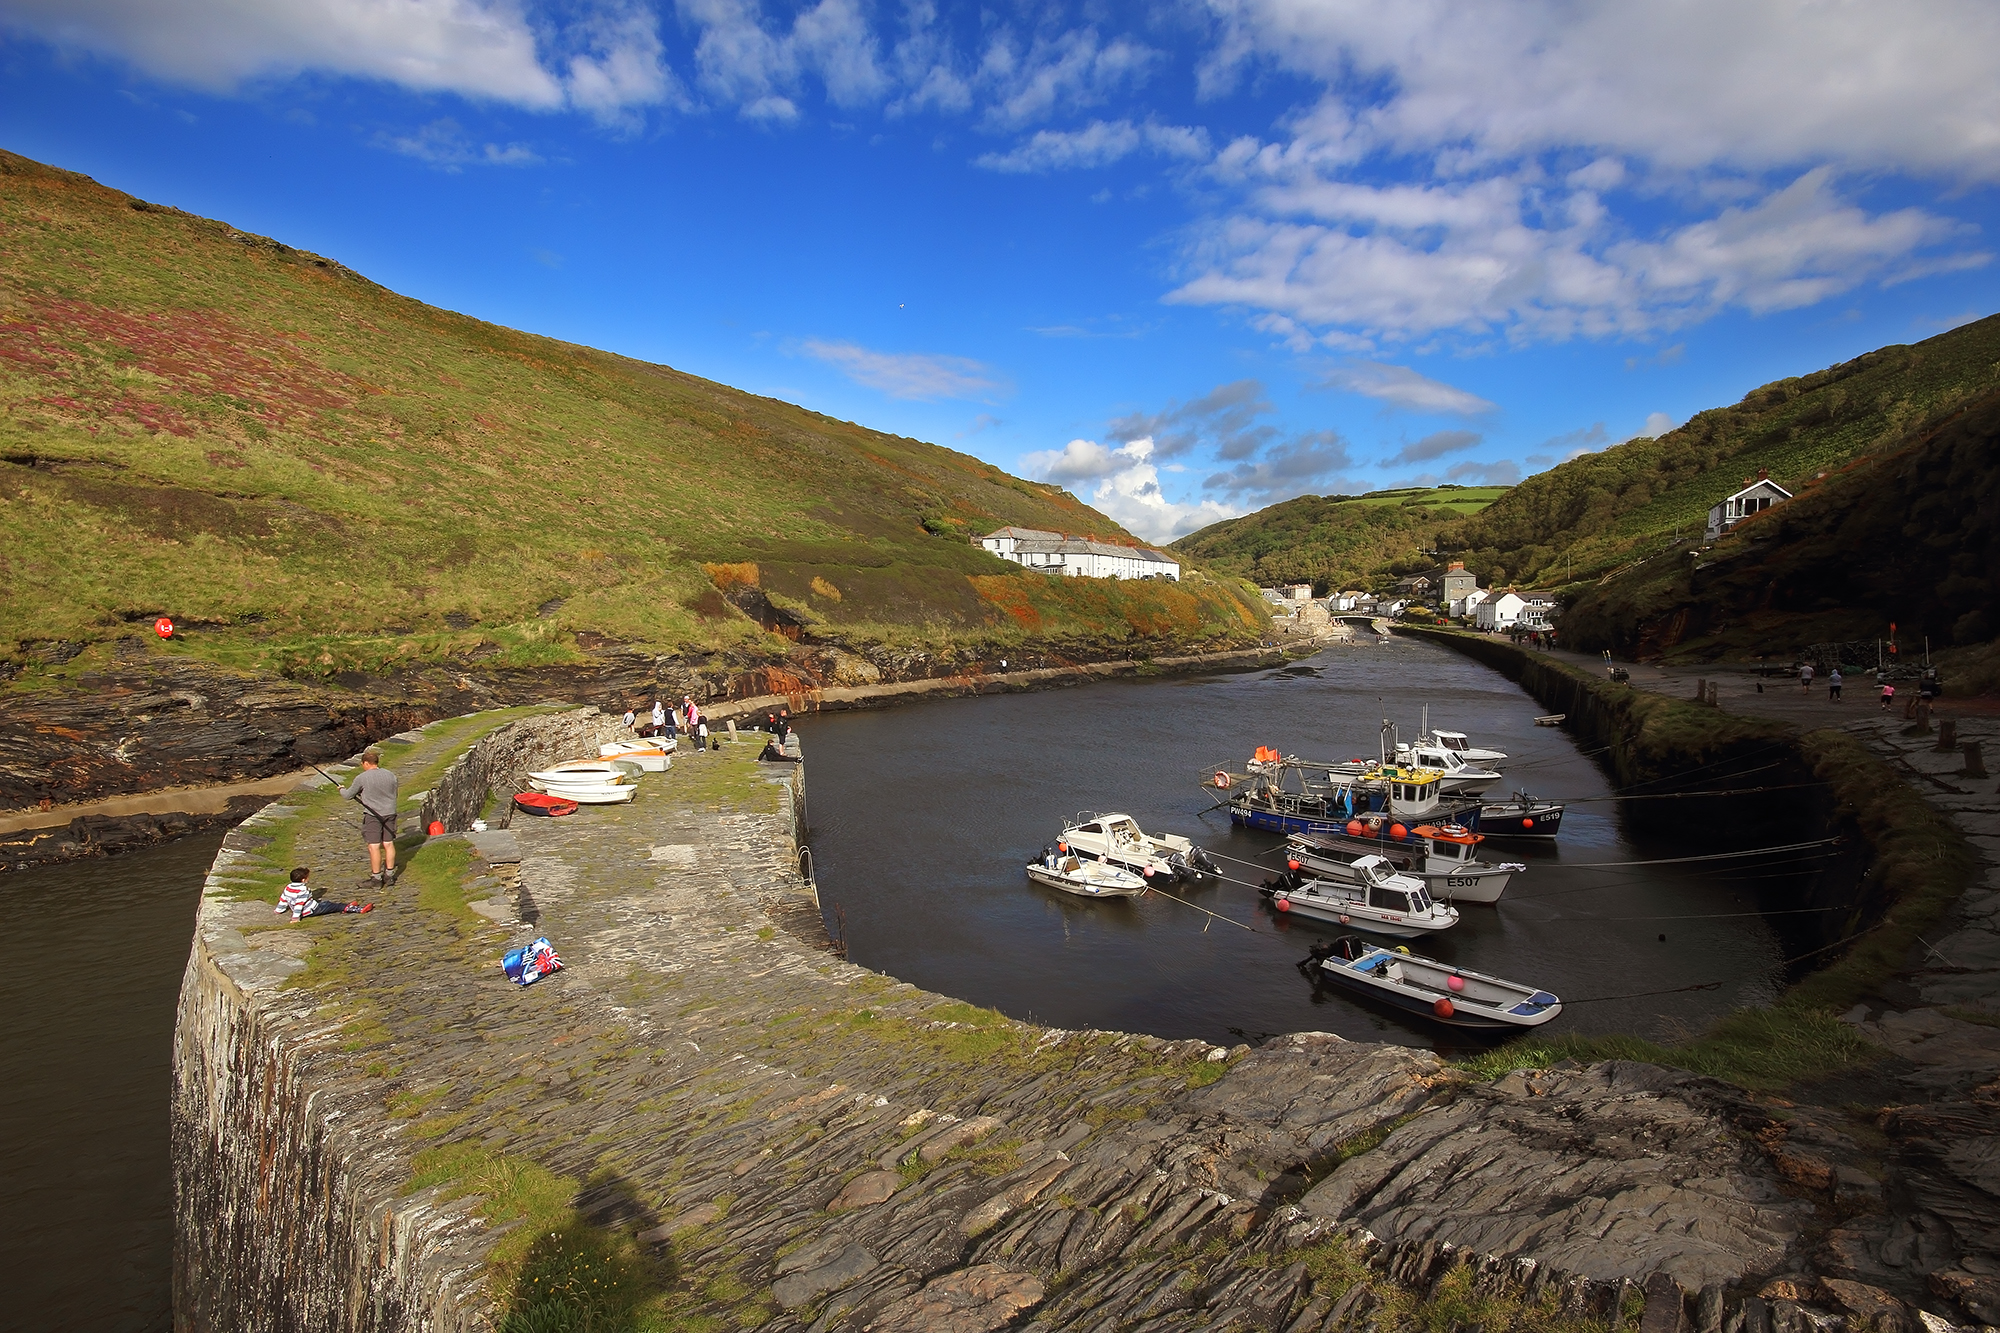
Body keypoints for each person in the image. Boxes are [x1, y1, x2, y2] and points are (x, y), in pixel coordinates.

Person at [341, 748, 400, 884]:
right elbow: (394, 794)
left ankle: (376, 877)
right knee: (388, 843)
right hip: (390, 812)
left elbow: (348, 795)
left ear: (366, 763)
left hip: (373, 815)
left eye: (362, 764)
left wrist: (341, 789)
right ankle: (389, 875)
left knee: (374, 846)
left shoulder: (362, 778)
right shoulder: (391, 775)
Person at [276, 866, 372, 920]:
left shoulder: (288, 887)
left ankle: (345, 907)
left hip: (309, 908)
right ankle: (357, 909)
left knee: (326, 903)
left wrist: (279, 910)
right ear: (303, 880)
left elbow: (283, 899)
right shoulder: (302, 890)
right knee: (332, 905)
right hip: (311, 910)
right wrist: (295, 918)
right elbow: (299, 904)